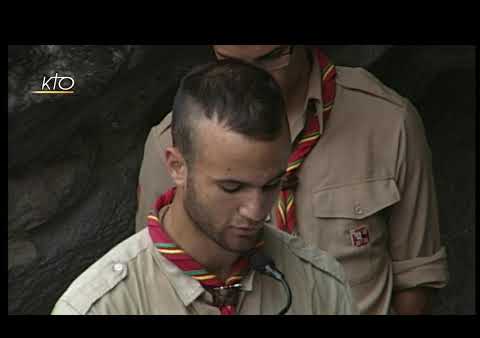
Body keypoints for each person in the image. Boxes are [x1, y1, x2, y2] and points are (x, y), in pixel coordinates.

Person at [136, 45, 449, 315]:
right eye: (229, 61)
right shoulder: (174, 145)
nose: (251, 79)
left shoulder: (388, 122)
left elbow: (416, 276)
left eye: (270, 57)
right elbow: (155, 279)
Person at [51, 59, 356, 315]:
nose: (257, 211)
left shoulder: (321, 286)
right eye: (232, 187)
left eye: (271, 185)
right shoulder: (100, 308)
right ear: (176, 167)